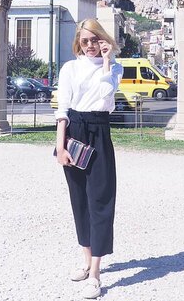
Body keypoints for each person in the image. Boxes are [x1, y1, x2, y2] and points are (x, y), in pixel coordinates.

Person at [55, 18, 123, 299]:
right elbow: (64, 107)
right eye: (85, 41)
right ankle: (86, 261)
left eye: (95, 40)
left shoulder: (115, 67)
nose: (90, 46)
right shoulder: (70, 67)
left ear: (103, 39)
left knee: (101, 200)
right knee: (80, 200)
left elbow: (107, 99)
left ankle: (95, 272)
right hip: (75, 131)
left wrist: (107, 62)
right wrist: (60, 147)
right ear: (78, 43)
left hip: (99, 130)